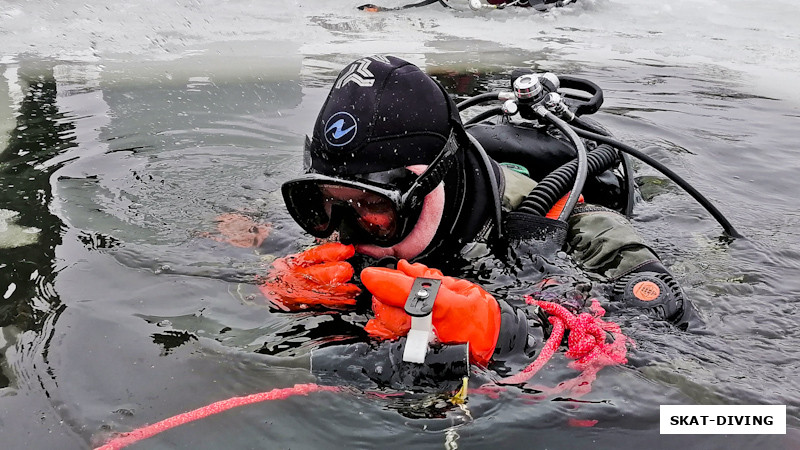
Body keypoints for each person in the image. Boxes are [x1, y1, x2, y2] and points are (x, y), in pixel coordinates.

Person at [268, 55, 696, 386]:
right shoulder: (358, 232)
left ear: (434, 184)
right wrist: (275, 298)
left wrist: (512, 337)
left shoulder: (579, 231)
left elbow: (674, 353)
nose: (346, 234)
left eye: (371, 208)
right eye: (323, 206)